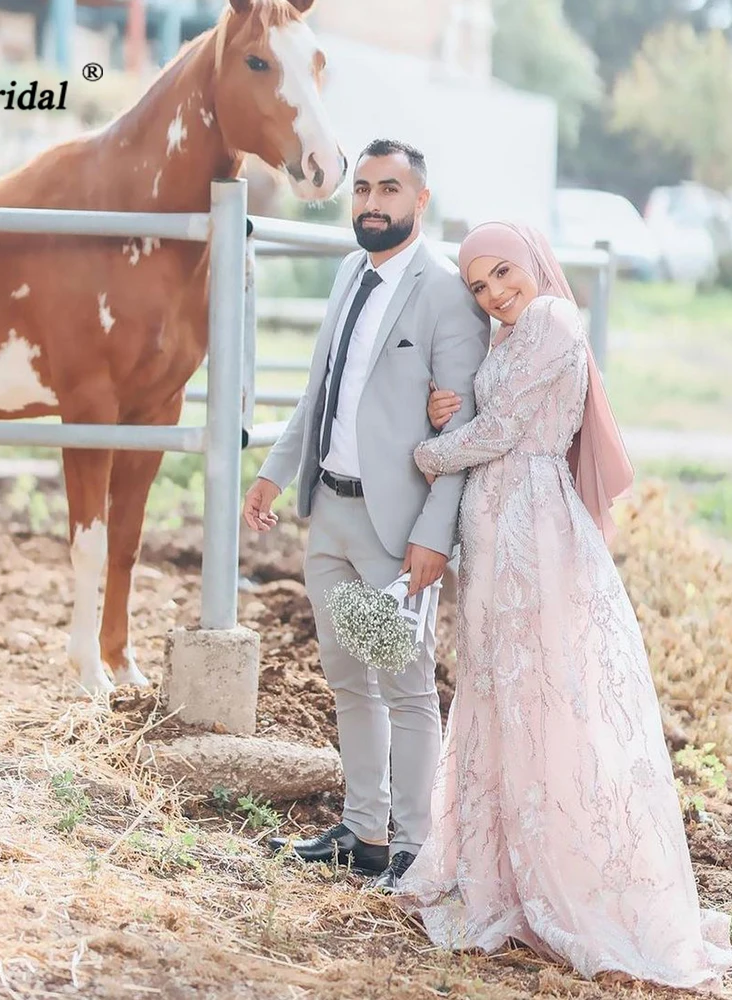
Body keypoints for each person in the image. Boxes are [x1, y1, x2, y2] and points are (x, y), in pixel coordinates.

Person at [395, 220, 732, 991]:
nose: (494, 293)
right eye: (478, 285)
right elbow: (487, 415)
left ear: (533, 260)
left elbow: (511, 427)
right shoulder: (510, 331)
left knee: (545, 695)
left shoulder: (551, 317)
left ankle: (562, 875)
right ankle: (504, 872)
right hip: (495, 527)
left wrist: (427, 451)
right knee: (497, 691)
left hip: (533, 528)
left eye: (503, 272)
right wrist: (451, 412)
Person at [241, 139, 491, 891]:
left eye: (389, 189)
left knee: (406, 686)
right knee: (349, 680)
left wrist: (432, 535)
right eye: (362, 189)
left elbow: (460, 431)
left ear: (420, 201)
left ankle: (415, 850)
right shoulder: (351, 271)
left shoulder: (445, 293)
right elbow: (320, 391)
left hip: (397, 531)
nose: (372, 203)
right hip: (333, 516)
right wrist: (273, 474)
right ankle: (365, 832)